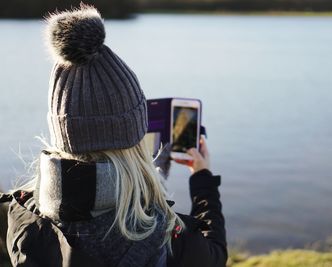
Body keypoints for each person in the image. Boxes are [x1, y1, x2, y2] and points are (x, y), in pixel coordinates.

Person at [1, 5, 226, 267]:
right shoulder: (169, 236)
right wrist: (202, 181)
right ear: (135, 142)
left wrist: (147, 181)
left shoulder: (26, 224)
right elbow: (214, 255)